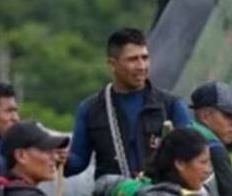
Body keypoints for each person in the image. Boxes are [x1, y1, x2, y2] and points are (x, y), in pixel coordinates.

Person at [64, 28, 192, 179]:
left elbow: (192, 156)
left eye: (145, 58)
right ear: (112, 64)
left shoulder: (171, 105)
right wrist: (57, 156)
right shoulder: (90, 109)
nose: (142, 66)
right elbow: (77, 163)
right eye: (133, 59)